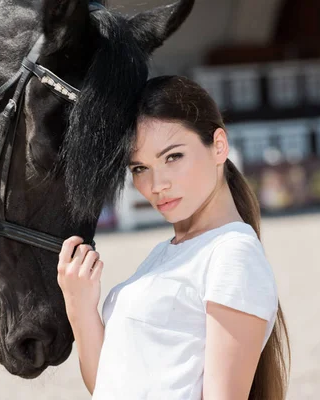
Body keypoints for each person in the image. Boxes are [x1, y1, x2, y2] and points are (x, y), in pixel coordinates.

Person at [57, 76, 290, 400]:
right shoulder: (166, 254)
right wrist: (80, 307)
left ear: (218, 146)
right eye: (139, 168)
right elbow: (109, 385)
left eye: (172, 157)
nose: (156, 184)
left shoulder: (232, 255)